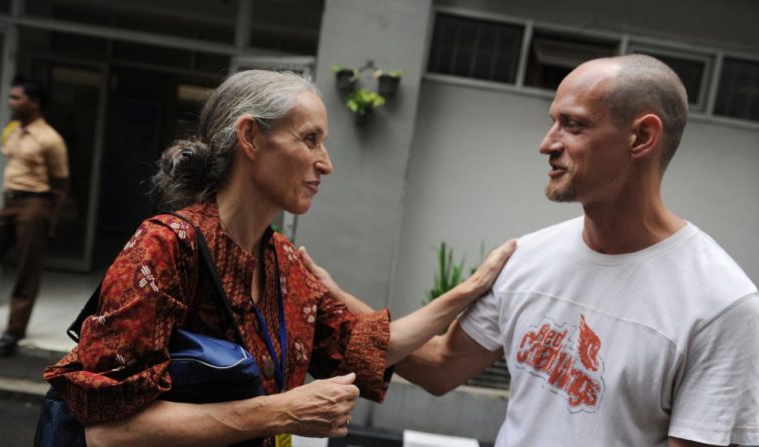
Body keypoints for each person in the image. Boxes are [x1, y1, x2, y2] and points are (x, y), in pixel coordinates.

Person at [303, 54, 759, 446]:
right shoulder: (526, 258)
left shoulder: (720, 301)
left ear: (641, 137)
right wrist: (339, 302)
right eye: (553, 123)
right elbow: (443, 368)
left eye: (574, 125)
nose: (548, 144)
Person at [43, 70, 516, 447]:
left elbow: (362, 347)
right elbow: (108, 431)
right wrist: (283, 412)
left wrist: (469, 290)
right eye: (310, 139)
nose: (325, 162)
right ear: (249, 137)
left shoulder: (285, 262)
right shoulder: (164, 247)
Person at [0, 75, 69, 356]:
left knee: (27, 269)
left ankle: (13, 332)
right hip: (10, 203)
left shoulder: (50, 139)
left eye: (16, 97)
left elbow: (60, 182)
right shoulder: (13, 130)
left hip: (35, 204)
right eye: (11, 97)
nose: (11, 102)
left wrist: (49, 217)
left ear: (34, 102)